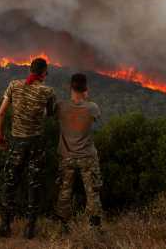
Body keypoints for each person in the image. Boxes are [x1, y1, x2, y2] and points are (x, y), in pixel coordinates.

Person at [0, 58, 55, 239]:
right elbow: (50, 114)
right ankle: (29, 229)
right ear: (44, 73)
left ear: (30, 70)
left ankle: (5, 226)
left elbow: (1, 112)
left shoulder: (14, 85)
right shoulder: (48, 91)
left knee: (10, 184)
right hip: (36, 144)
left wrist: (0, 135)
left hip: (16, 142)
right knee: (34, 185)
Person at [55, 73, 103, 234]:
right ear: (85, 88)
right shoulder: (92, 107)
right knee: (92, 191)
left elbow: (50, 112)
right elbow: (95, 117)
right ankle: (94, 227)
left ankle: (63, 226)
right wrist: (86, 98)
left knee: (64, 191)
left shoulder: (61, 106)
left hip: (66, 156)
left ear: (71, 87)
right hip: (87, 157)